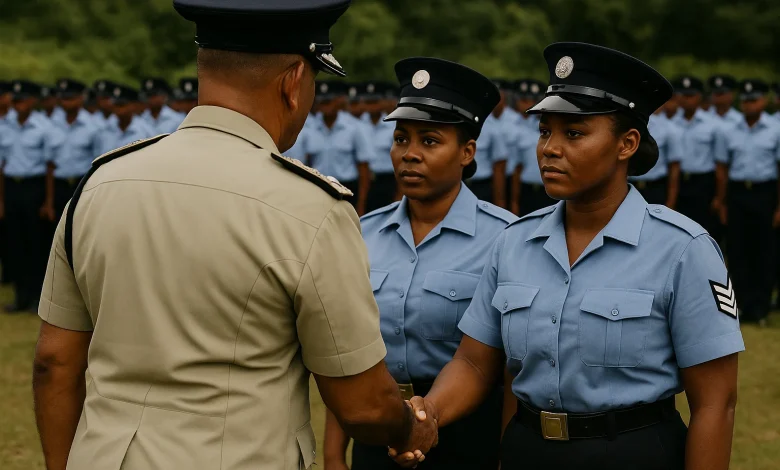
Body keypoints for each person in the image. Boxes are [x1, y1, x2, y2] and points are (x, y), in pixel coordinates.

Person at [31, 2, 437, 470]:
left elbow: (54, 363)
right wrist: (410, 427)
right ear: (292, 83)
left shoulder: (100, 184)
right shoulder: (311, 209)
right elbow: (363, 406)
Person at [392, 42, 744, 470]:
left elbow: (715, 403)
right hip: (529, 449)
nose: (549, 148)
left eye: (573, 133)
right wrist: (427, 414)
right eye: (545, 131)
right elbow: (474, 362)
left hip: (632, 452)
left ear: (627, 144)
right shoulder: (515, 243)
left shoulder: (682, 249)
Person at [324, 57, 516, 470]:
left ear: (467, 152)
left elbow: (514, 366)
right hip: (377, 427)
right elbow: (346, 353)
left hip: (468, 433)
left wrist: (505, 454)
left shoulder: (506, 238)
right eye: (400, 139)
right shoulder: (363, 234)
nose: (409, 155)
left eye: (429, 141)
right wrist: (334, 453)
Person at [716, 79, 780, 327]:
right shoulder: (729, 130)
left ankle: (760, 307)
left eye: (754, 100)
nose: (749, 104)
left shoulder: (775, 129)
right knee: (738, 251)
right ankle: (739, 306)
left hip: (764, 193)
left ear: (763, 101)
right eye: (745, 100)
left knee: (764, 251)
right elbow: (722, 168)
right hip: (738, 193)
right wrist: (721, 202)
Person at [0, 80, 55, 313]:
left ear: (33, 101)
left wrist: (48, 201)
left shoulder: (44, 126)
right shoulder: (5, 125)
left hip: (35, 187)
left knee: (35, 244)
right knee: (15, 244)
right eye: (15, 100)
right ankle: (20, 297)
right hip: (12, 186)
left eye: (22, 100)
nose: (18, 105)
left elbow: (50, 167)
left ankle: (36, 298)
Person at [307, 81, 374, 215]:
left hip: (346, 189)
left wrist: (361, 205)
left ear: (338, 102)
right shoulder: (309, 128)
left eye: (329, 101)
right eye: (322, 102)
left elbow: (364, 170)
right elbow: (306, 163)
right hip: (318, 189)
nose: (326, 106)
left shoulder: (353, 128)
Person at [672, 75, 726, 236]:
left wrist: (719, 196)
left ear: (699, 97)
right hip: (678, 182)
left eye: (690, 96)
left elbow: (720, 165)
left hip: (703, 184)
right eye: (682, 95)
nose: (686, 100)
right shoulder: (671, 123)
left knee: (703, 229)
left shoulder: (713, 125)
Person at [46, 79, 103, 221]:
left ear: (81, 98)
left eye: (70, 98)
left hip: (82, 185)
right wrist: (48, 202)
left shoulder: (93, 126)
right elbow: (50, 165)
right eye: (63, 99)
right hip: (59, 186)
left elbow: (98, 166)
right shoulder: (52, 125)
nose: (66, 102)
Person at [628, 106, 683, 206]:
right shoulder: (627, 123)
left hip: (655, 188)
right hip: (629, 187)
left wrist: (671, 201)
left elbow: (674, 167)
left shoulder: (668, 128)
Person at [468, 89, 508, 206]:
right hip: (458, 184)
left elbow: (499, 167)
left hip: (482, 187)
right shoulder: (457, 125)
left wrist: (500, 203)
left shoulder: (492, 128)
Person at [362, 81, 397, 212]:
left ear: (382, 102)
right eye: (368, 102)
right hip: (363, 181)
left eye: (375, 102)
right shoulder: (357, 125)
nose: (372, 106)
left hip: (386, 181)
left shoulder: (392, 126)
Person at [98, 85, 154, 154]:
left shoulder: (145, 131)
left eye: (121, 105)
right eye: (115, 105)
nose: (118, 109)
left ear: (133, 105)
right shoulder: (105, 130)